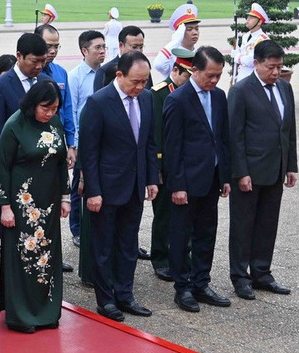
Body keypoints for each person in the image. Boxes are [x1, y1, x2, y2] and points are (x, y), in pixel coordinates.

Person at [79, 51, 159, 322]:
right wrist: (93, 191)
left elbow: (148, 143)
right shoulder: (99, 102)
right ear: (119, 75)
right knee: (103, 247)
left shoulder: (146, 98)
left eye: (145, 81)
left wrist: (151, 178)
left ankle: (125, 294)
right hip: (106, 188)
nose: (140, 87)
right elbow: (89, 152)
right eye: (135, 81)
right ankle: (106, 300)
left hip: (135, 186)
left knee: (128, 244)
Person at [0, 81, 71, 332]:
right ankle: (21, 315)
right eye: (45, 108)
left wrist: (65, 196)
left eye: (55, 109)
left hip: (48, 202)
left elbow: (61, 161)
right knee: (23, 257)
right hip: (22, 204)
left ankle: (46, 311)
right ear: (33, 104)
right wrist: (4, 206)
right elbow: (2, 167)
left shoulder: (55, 123)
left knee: (46, 256)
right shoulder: (14, 125)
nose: (50, 113)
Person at [163, 46, 232, 312]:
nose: (214, 80)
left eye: (218, 75)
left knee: (207, 233)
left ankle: (201, 283)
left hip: (211, 178)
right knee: (182, 235)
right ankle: (182, 287)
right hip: (187, 181)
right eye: (210, 75)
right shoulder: (178, 99)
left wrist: (225, 175)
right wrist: (177, 185)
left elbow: (222, 138)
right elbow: (172, 147)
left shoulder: (219, 97)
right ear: (195, 70)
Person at [228, 40, 298, 300]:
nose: (276, 72)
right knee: (243, 226)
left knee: (268, 224)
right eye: (271, 67)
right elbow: (234, 136)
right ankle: (240, 276)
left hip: (276, 169)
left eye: (280, 66)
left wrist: (291, 165)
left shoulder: (285, 88)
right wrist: (240, 172)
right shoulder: (241, 91)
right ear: (256, 63)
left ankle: (261, 273)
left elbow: (289, 130)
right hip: (249, 171)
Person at [0, 33, 51, 257]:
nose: (39, 66)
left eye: (43, 61)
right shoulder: (0, 87)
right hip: (15, 169)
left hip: (42, 168)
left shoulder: (45, 83)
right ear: (19, 56)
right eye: (34, 61)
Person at [148, 50, 194, 282]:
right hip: (165, 165)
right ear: (175, 70)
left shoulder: (192, 93)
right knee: (164, 214)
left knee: (186, 215)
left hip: (186, 164)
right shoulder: (158, 94)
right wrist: (156, 168)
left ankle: (183, 255)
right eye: (187, 75)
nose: (190, 80)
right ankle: (161, 258)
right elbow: (155, 132)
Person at [68, 30, 106, 249]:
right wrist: (73, 144)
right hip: (83, 139)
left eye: (103, 47)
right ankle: (77, 228)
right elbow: (72, 110)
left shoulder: (108, 73)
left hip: (103, 139)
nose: (102, 51)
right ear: (84, 50)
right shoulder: (75, 76)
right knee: (79, 186)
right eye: (97, 48)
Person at [39, 24, 76, 168]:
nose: (53, 51)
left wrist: (71, 144)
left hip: (58, 140)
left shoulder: (61, 73)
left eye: (56, 46)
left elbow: (67, 109)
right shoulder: (31, 74)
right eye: (48, 46)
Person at [152, 4, 200, 82]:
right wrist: (175, 41)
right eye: (189, 29)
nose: (195, 32)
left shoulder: (199, 54)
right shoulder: (172, 55)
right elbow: (159, 65)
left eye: (196, 28)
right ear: (180, 32)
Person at [95, 26, 152, 91]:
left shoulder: (144, 68)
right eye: (134, 47)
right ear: (121, 45)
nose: (138, 51)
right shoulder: (104, 71)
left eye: (141, 47)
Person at [232, 3, 270, 86]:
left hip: (253, 79)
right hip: (241, 76)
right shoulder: (245, 36)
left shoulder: (263, 39)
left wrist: (237, 57)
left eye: (251, 18)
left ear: (259, 22)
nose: (248, 20)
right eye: (248, 17)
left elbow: (251, 60)